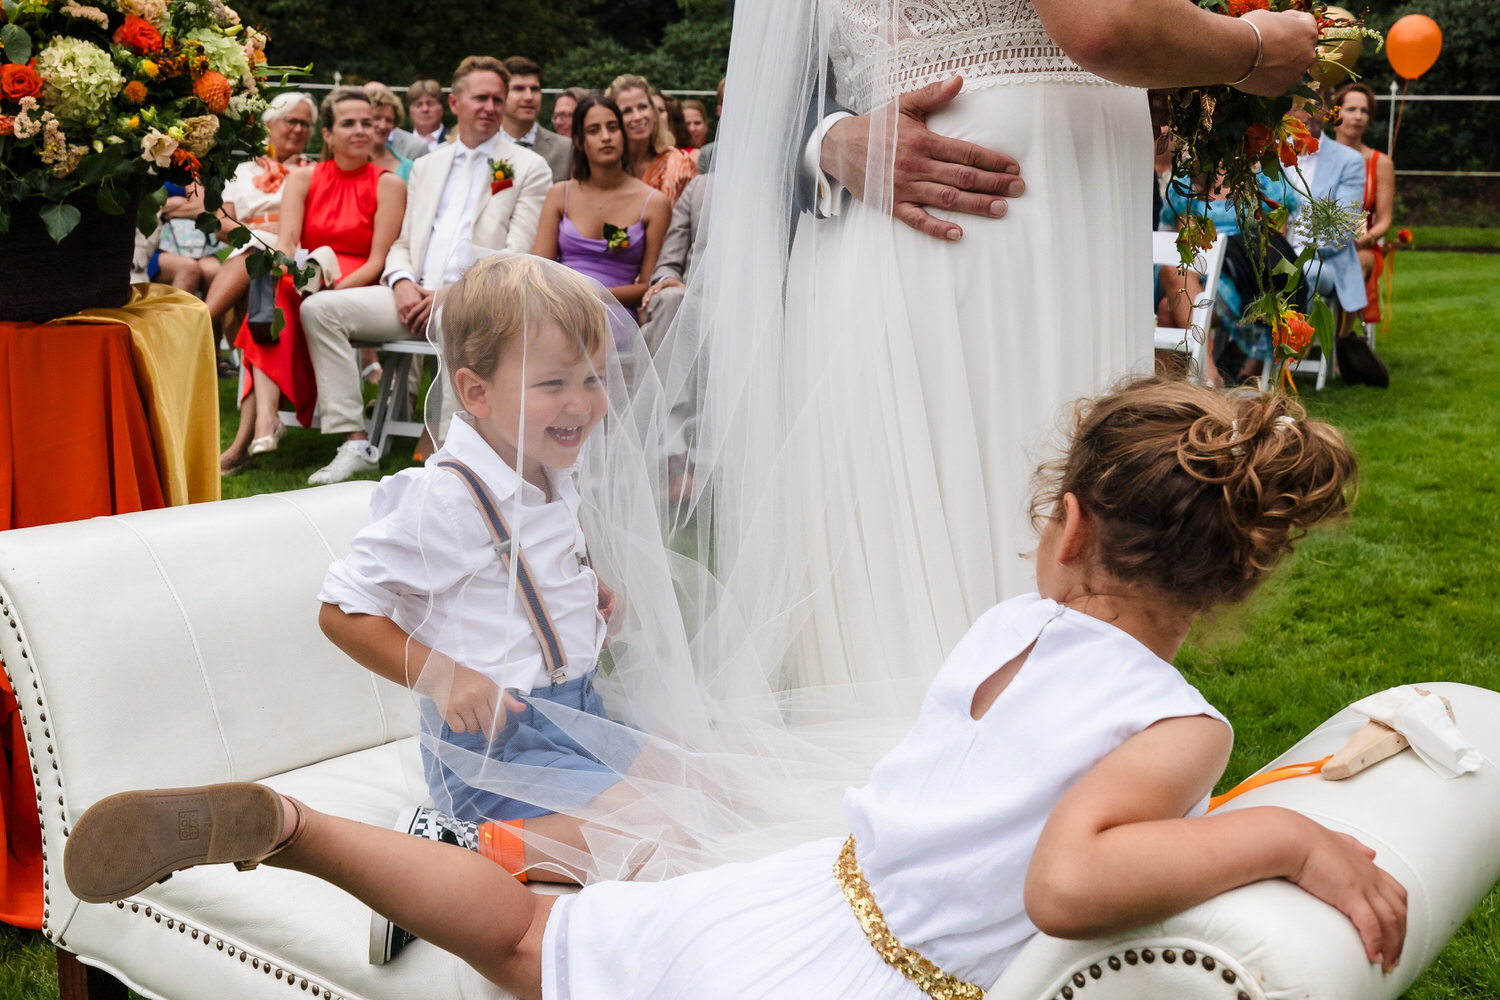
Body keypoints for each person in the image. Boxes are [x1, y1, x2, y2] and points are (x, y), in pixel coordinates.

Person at [65, 378, 1409, 997]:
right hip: (863, 969)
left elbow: (1053, 841)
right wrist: (1280, 829)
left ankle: (292, 832)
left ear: (1067, 527)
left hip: (828, 889)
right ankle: (294, 834)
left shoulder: (1015, 625)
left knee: (534, 939)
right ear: (1235, 581)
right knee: (542, 943)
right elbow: (1068, 881)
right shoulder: (1176, 728)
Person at [664, 0, 1323, 698]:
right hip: (978, 225)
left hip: (1037, 209)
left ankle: (1032, 753)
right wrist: (1251, 46)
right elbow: (1102, 25)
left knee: (1036, 495)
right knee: (1005, 498)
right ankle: (1005, 758)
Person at [297, 56, 552, 485]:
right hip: (411, 296)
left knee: (465, 325)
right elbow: (402, 242)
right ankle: (356, 441)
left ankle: (449, 458)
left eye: (497, 98)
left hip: (478, 300)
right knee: (320, 309)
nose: (491, 106)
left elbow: (516, 255)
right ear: (455, 102)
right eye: (481, 98)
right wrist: (399, 283)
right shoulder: (429, 165)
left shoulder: (529, 167)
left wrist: (454, 293)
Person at [218, 88, 406, 474]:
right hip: (308, 274)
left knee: (287, 302)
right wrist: (295, 273)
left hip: (360, 283)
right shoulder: (303, 178)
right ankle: (266, 420)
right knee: (271, 292)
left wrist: (333, 289)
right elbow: (287, 243)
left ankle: (258, 429)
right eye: (348, 123)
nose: (359, 131)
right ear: (329, 134)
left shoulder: (389, 184)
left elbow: (377, 261)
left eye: (367, 124)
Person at [532, 95, 670, 322]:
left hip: (615, 315)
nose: (606, 137)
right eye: (594, 130)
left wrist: (593, 294)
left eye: (613, 128)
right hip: (558, 309)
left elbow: (648, 286)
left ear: (623, 135)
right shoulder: (559, 194)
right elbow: (538, 270)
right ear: (578, 140)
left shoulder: (655, 203)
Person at [201, 92, 317, 339]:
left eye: (304, 124)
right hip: (250, 244)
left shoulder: (315, 173)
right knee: (257, 248)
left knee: (256, 250)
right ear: (269, 125)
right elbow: (222, 224)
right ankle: (207, 323)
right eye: (290, 121)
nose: (298, 129)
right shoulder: (242, 171)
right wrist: (257, 234)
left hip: (297, 247)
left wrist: (283, 230)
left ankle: (202, 319)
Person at [1332, 81, 1394, 326]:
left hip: (1361, 246)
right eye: (1351, 109)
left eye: (1364, 111)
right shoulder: (1317, 155)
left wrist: (1364, 239)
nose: (1358, 116)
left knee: (1353, 264)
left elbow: (1385, 220)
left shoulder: (1380, 162)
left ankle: (1341, 340)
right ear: (1335, 113)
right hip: (1318, 242)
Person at [605, 74, 698, 202]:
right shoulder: (606, 166)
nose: (637, 117)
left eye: (642, 107)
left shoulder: (676, 164)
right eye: (627, 111)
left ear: (653, 112)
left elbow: (672, 220)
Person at [501, 56, 573, 182]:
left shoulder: (566, 150)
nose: (529, 97)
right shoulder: (483, 146)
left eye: (534, 89)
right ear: (501, 94)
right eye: (519, 89)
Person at [365, 84, 417, 180]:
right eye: (377, 118)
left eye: (389, 120)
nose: (383, 126)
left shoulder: (408, 168)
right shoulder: (349, 161)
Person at [397, 79, 450, 151]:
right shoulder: (399, 143)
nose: (425, 109)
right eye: (418, 105)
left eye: (430, 104)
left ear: (441, 109)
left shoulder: (453, 140)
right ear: (411, 111)